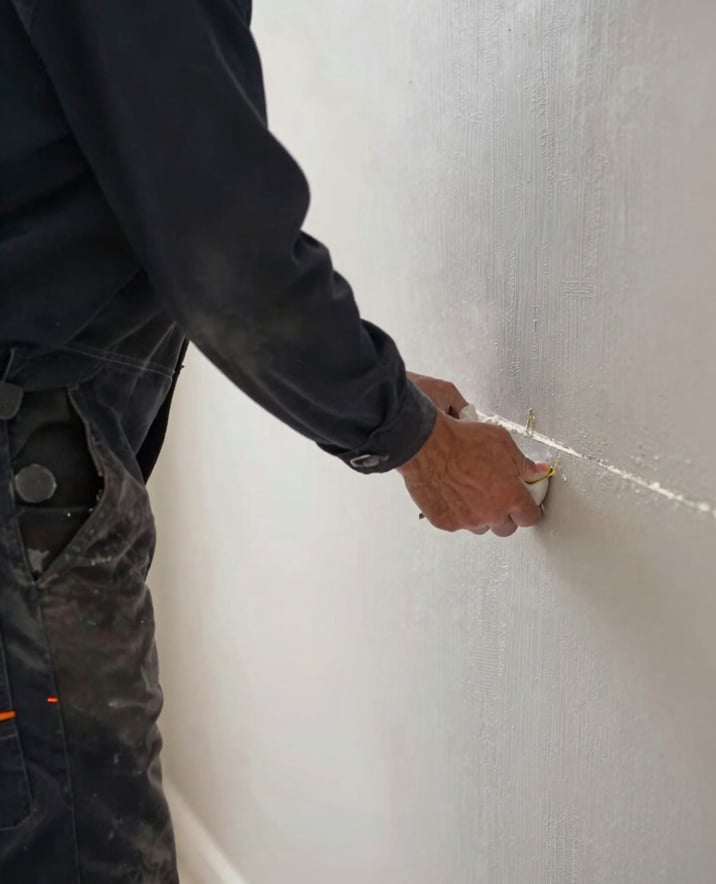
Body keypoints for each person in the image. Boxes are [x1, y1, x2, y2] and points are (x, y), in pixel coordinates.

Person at [0, 1, 548, 880]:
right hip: (23, 474)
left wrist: (384, 396)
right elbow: (223, 251)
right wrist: (415, 442)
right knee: (72, 852)